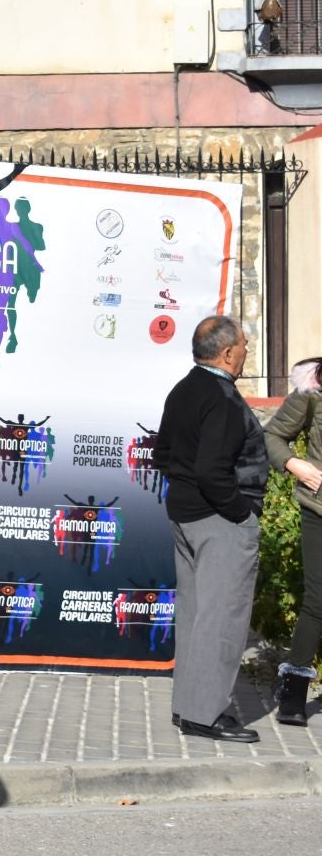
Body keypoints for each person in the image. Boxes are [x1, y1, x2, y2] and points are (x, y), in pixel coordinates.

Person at [156, 315, 269, 743]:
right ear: (226, 353)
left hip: (186, 515)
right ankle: (206, 715)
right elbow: (212, 470)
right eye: (243, 344)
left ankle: (189, 709)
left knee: (196, 615)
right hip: (220, 521)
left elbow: (162, 453)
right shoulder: (221, 398)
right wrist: (240, 512)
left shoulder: (184, 388)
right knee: (221, 618)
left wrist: (189, 492)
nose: (246, 350)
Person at [265, 356, 322, 726]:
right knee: (318, 600)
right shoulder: (313, 388)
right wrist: (295, 464)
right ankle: (294, 689)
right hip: (319, 509)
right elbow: (272, 435)